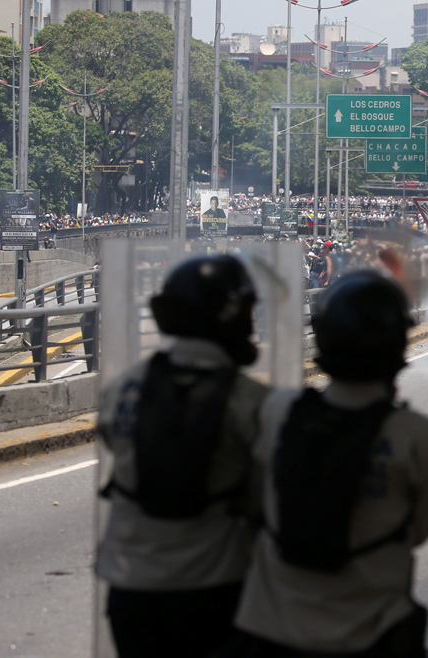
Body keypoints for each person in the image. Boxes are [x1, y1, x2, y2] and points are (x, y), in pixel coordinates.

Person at [232, 270, 428, 657]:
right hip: (372, 627)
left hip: (273, 624)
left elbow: (252, 502)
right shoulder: (415, 433)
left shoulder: (278, 412)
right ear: (397, 346)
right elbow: (418, 529)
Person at [95, 255, 269, 658]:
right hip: (211, 587)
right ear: (231, 315)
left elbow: (112, 442)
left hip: (130, 586)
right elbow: (266, 505)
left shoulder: (124, 388)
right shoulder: (250, 401)